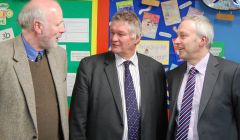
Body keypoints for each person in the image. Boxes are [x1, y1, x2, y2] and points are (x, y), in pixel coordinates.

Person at [69, 10, 168, 140]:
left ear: (137, 38)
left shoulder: (156, 69)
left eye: (120, 34)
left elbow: (160, 120)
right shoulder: (89, 67)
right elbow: (77, 119)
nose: (114, 38)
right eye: (112, 33)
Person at [0, 0, 69, 139]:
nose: (63, 29)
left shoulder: (60, 55)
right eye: (58, 24)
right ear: (38, 26)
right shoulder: (2, 55)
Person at [167, 15, 240, 140]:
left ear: (203, 40)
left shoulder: (232, 73)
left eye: (183, 36)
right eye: (177, 36)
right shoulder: (174, 75)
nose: (176, 41)